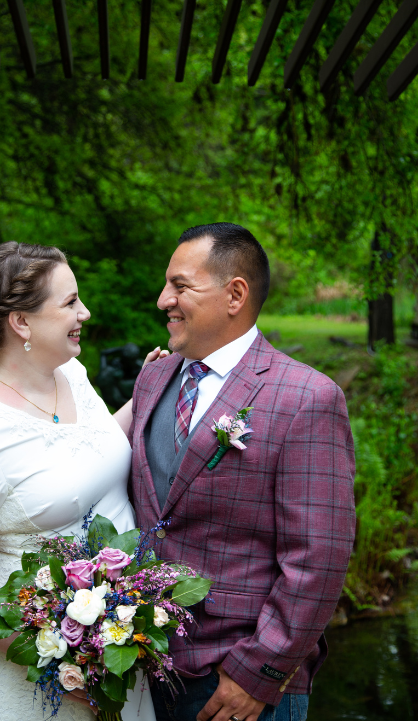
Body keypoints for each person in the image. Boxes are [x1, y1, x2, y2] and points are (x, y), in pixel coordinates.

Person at [0, 241, 163, 721]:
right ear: (21, 322)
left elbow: (89, 457)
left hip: (116, 642)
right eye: (70, 302)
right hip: (37, 673)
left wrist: (147, 393)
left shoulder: (71, 373)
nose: (85, 313)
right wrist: (58, 659)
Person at [129, 223, 356, 721]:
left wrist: (259, 673)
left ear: (235, 295)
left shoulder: (307, 397)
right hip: (143, 667)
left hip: (241, 685)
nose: (163, 300)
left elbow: (318, 558)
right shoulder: (152, 377)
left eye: (180, 286)